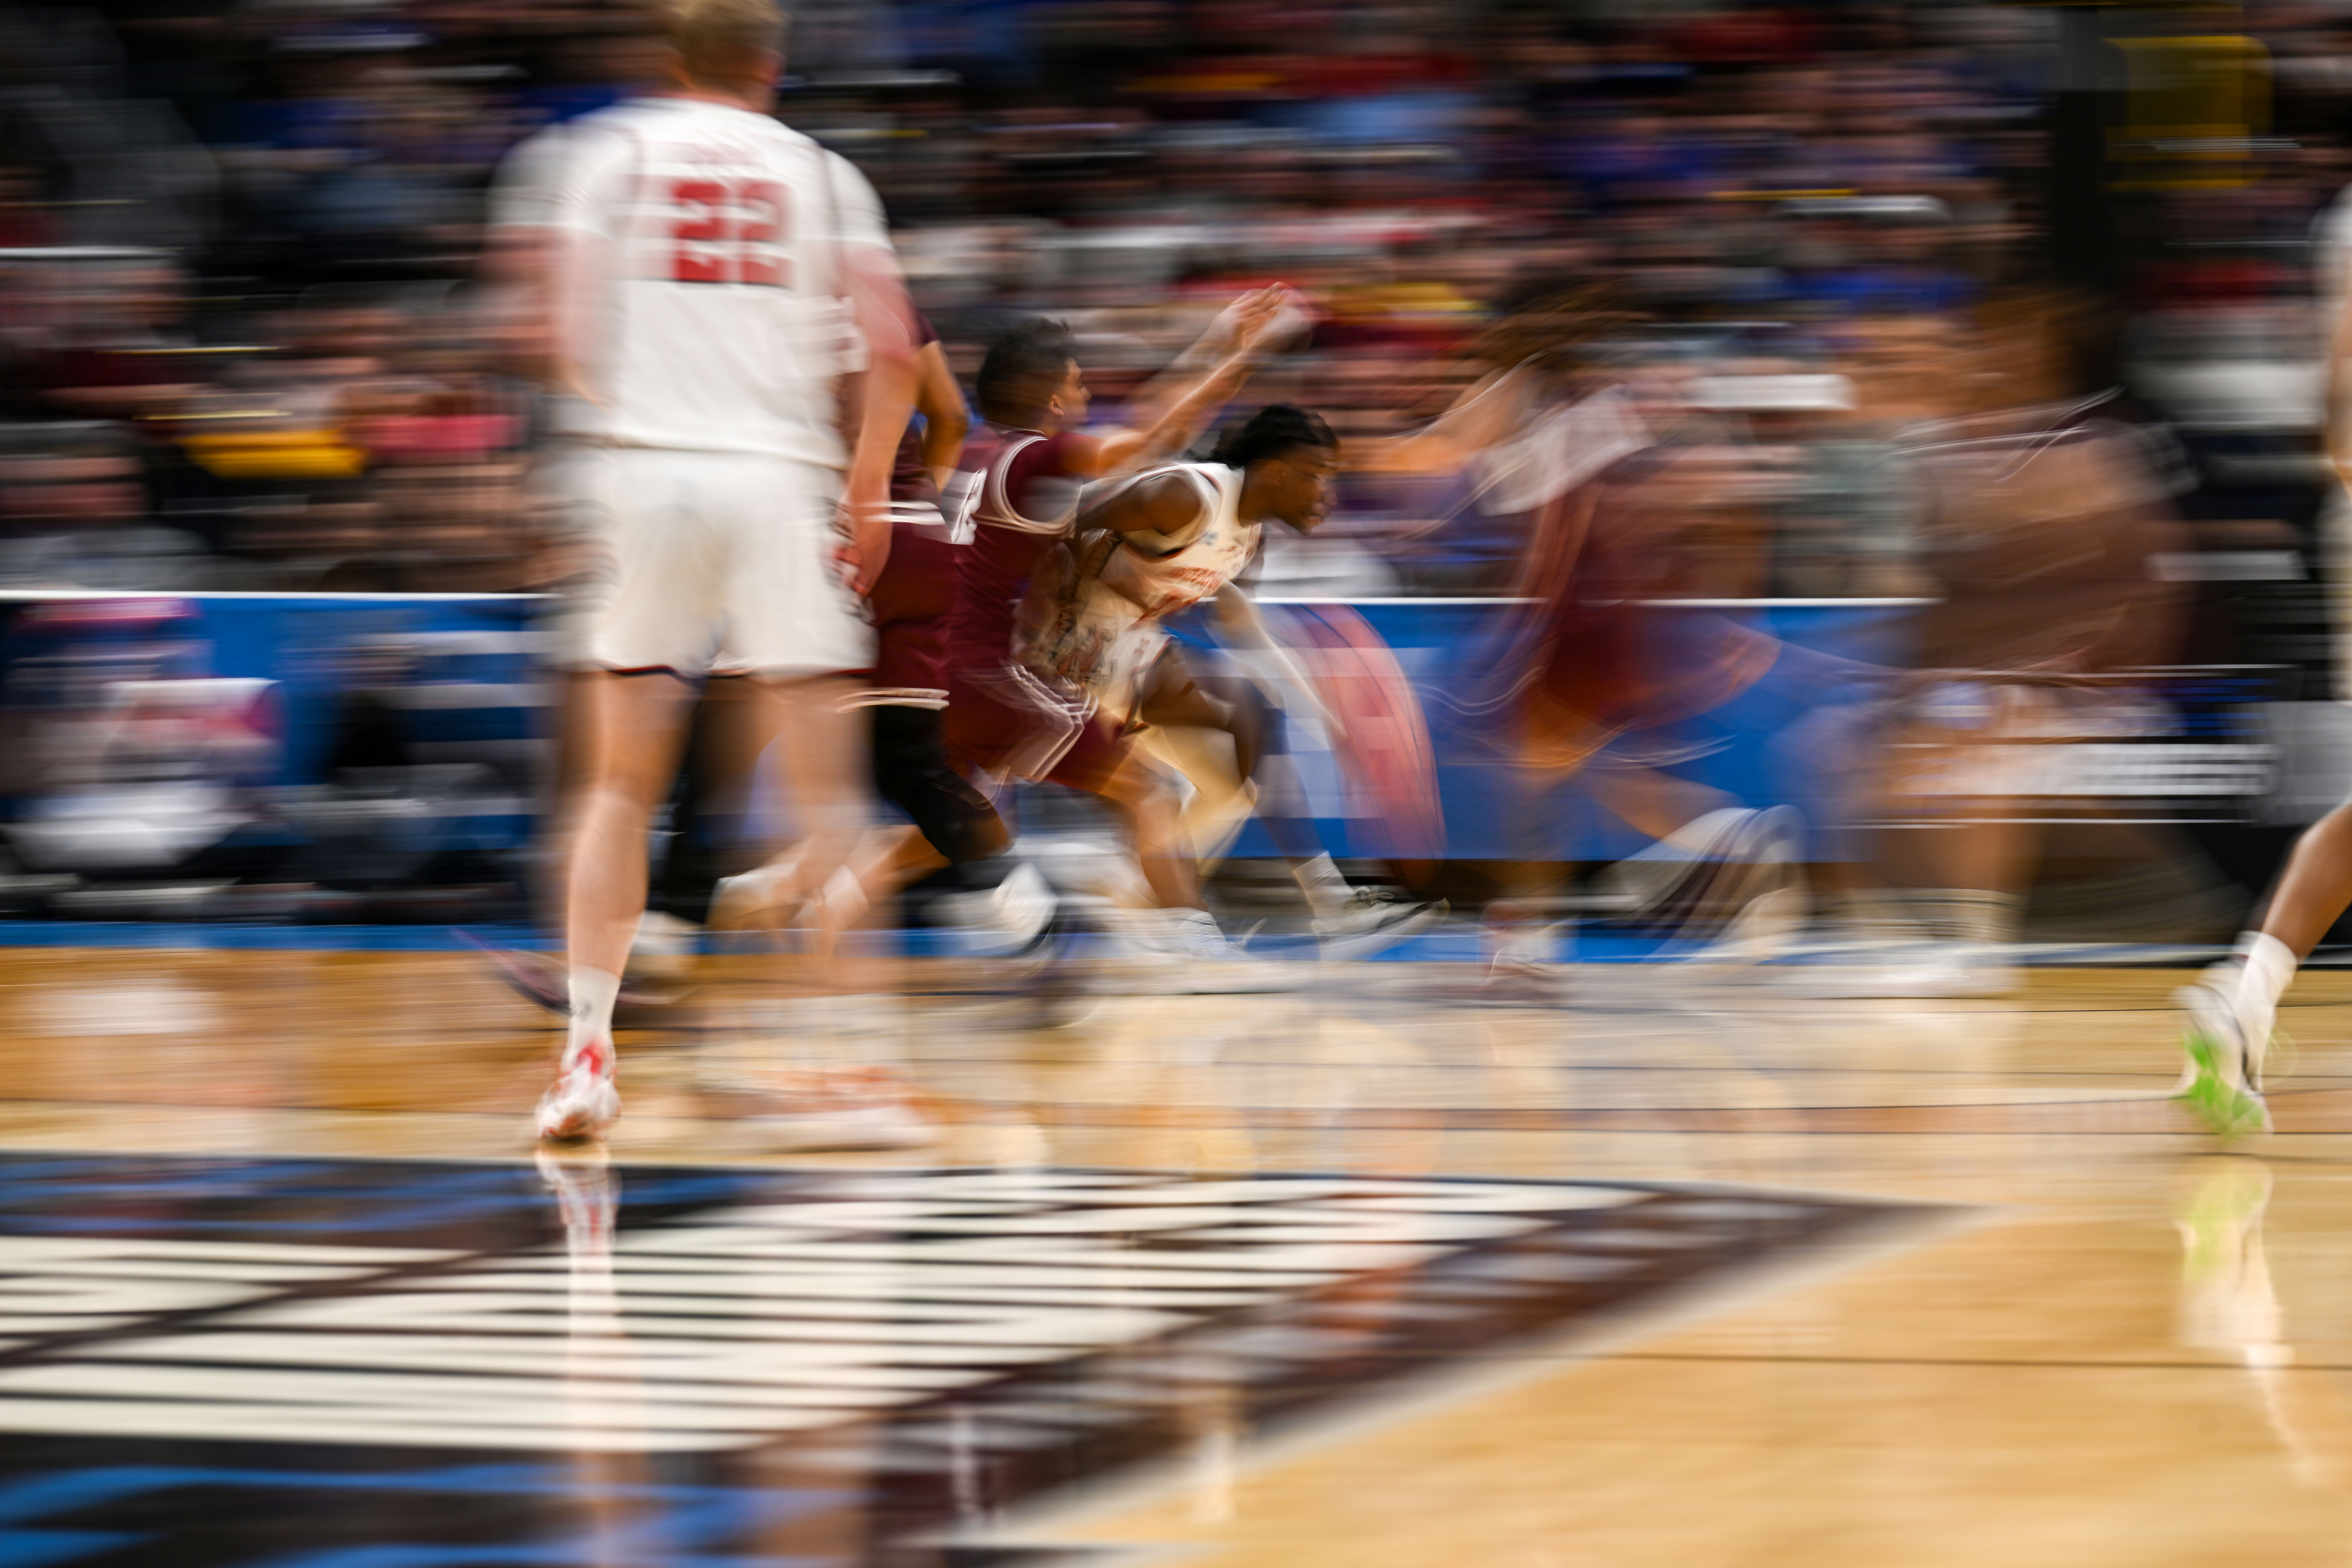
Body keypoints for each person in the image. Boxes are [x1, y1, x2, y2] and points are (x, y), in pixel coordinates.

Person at [493, 0, 919, 1143]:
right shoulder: (828, 176)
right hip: (783, 478)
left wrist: (608, 445)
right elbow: (890, 349)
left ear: (671, 59)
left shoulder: (603, 152)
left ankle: (586, 1056)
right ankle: (856, 1075)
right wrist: (870, 487)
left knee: (617, 784)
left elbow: (553, 332)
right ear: (772, 66)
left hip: (643, 471)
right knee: (830, 791)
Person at [941, 300, 1291, 955]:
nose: (1085, 394)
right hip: (991, 668)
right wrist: (1237, 355)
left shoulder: (977, 452)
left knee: (936, 826)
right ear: (1047, 398)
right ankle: (1191, 946)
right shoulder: (1034, 457)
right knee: (1148, 789)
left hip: (939, 669)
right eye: (1077, 384)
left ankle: (795, 894)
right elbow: (1149, 437)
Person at [1006, 403, 1347, 957]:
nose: (1327, 495)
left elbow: (1241, 623)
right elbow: (1066, 523)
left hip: (1128, 642)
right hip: (1069, 635)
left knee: (1232, 789)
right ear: (1277, 471)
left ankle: (1133, 895)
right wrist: (1034, 619)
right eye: (1317, 475)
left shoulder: (1249, 536)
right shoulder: (1186, 495)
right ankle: (1233, 917)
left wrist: (1313, 705)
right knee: (1235, 721)